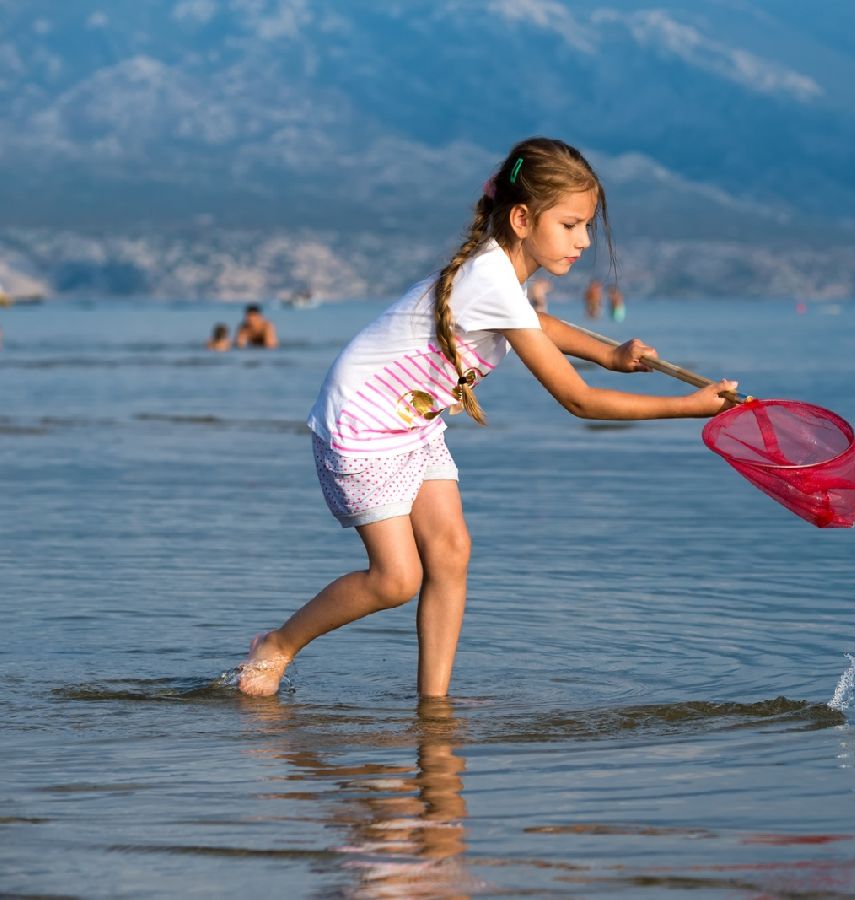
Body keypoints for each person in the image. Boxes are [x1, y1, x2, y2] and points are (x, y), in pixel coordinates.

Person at [237, 137, 738, 698]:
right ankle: (277, 645)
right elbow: (577, 400)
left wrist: (610, 354)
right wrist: (688, 408)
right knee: (396, 580)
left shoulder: (500, 277)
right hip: (361, 430)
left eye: (588, 226)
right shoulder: (492, 278)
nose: (584, 240)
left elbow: (535, 322)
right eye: (570, 225)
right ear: (522, 218)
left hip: (413, 427)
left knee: (451, 552)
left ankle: (434, 703)